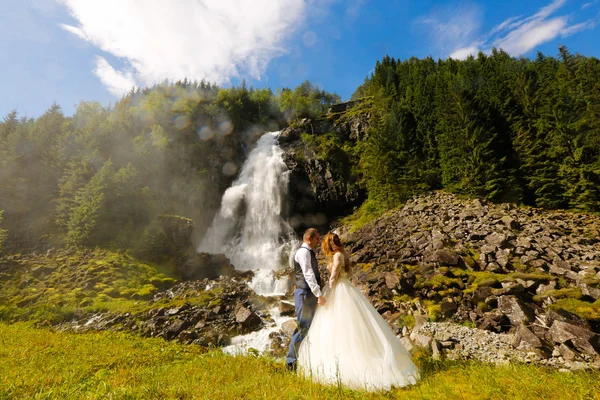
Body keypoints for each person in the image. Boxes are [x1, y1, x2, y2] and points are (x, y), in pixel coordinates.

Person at [297, 232, 420, 391]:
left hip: (339, 290)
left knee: (340, 326)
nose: (324, 248)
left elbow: (333, 278)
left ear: (329, 245)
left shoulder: (337, 256)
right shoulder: (342, 254)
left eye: (325, 245)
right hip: (346, 288)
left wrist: (324, 295)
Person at [286, 228, 327, 371]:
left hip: (308, 293)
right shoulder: (303, 252)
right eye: (317, 239)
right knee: (303, 327)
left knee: (310, 326)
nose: (318, 242)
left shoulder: (308, 252)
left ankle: (303, 359)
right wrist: (318, 294)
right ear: (309, 239)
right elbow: (308, 274)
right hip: (305, 293)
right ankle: (291, 363)